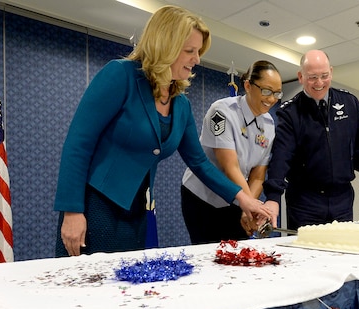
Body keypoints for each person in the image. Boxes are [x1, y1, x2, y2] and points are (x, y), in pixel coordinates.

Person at [54, 5, 272, 257]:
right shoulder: (120, 75)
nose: (197, 59)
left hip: (136, 211)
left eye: (198, 52)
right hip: (96, 207)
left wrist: (244, 200)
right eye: (190, 51)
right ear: (165, 46)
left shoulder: (180, 103)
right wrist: (72, 211)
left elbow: (200, 162)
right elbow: (78, 144)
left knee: (126, 291)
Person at [263, 49, 359, 231]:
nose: (319, 83)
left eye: (324, 75)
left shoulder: (350, 103)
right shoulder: (290, 112)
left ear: (331, 72)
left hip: (342, 198)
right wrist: (273, 197)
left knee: (341, 252)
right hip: (304, 201)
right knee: (305, 255)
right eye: (312, 77)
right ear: (300, 77)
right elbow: (281, 157)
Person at [181, 60, 282, 244]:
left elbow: (258, 175)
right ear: (248, 85)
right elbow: (230, 166)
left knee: (239, 255)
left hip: (238, 198)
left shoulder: (268, 124)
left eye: (276, 93)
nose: (272, 99)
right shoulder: (221, 111)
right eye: (267, 91)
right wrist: (248, 204)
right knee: (209, 256)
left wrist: (247, 208)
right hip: (203, 197)